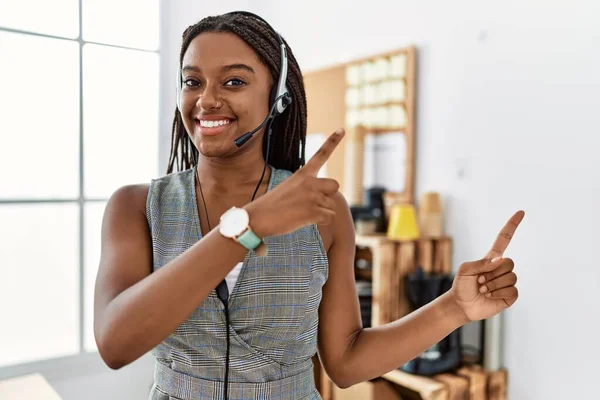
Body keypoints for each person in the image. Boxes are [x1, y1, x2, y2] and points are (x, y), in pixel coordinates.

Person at [93, 11, 525, 400]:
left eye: (234, 81)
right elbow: (115, 344)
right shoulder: (135, 207)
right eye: (192, 81)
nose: (206, 99)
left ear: (277, 97)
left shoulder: (324, 208)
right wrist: (248, 226)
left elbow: (346, 361)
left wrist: (453, 308)